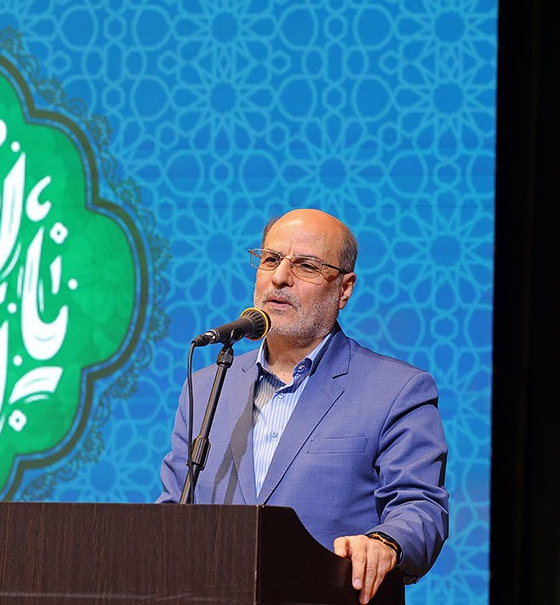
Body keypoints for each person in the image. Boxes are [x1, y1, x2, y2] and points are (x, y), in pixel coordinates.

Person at [158, 209, 449, 604]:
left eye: (306, 266)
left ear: (344, 289)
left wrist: (385, 542)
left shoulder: (398, 390)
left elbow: (420, 506)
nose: (280, 277)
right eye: (271, 259)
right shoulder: (209, 385)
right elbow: (172, 511)